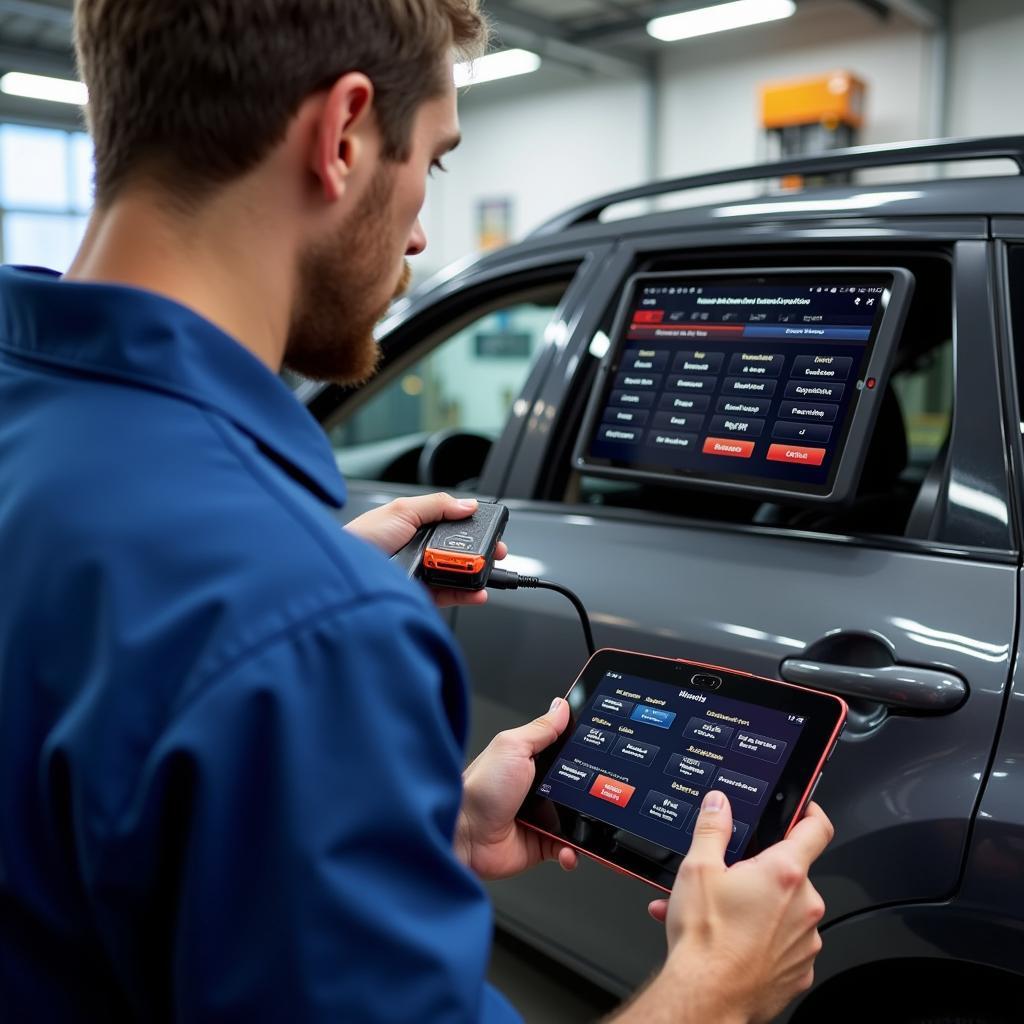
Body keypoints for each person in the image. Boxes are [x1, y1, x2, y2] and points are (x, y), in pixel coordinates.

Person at [0, 1, 833, 1020]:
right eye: (432, 164)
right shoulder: (313, 630)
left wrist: (405, 813)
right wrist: (720, 985)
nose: (424, 228)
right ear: (343, 134)